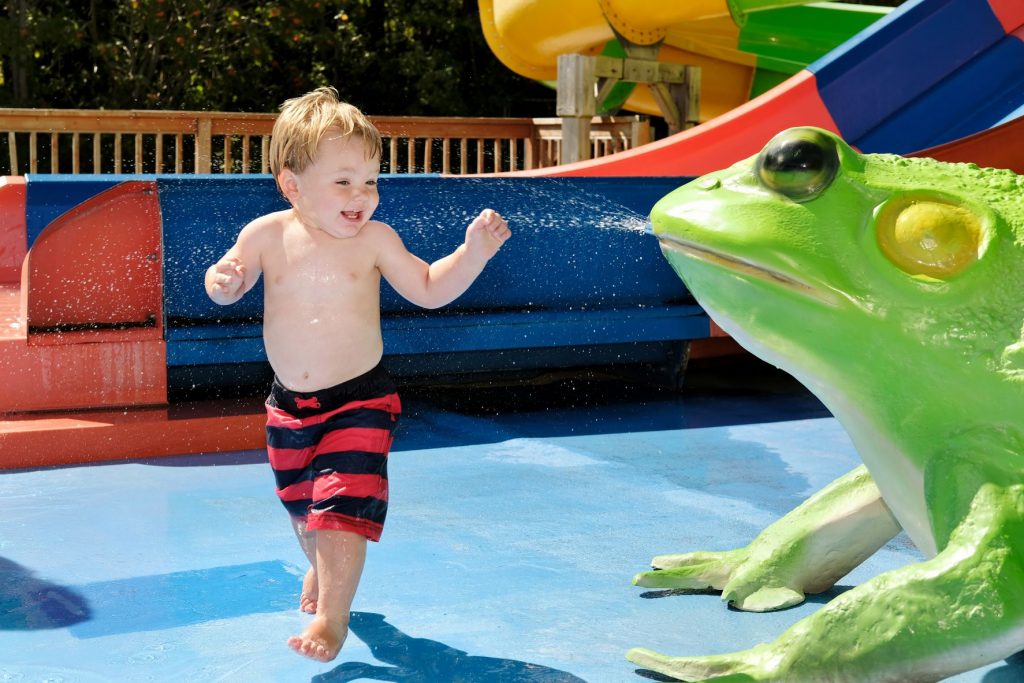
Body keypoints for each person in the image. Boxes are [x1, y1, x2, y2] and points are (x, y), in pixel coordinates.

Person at [204, 86, 511, 662]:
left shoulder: (374, 239)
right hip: (288, 406)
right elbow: (230, 280)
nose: (362, 195)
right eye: (343, 181)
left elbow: (427, 290)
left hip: (360, 401)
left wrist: (472, 254)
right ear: (292, 184)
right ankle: (324, 575)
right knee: (303, 506)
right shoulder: (267, 235)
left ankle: (332, 619)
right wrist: (221, 280)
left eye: (370, 180)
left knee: (341, 506)